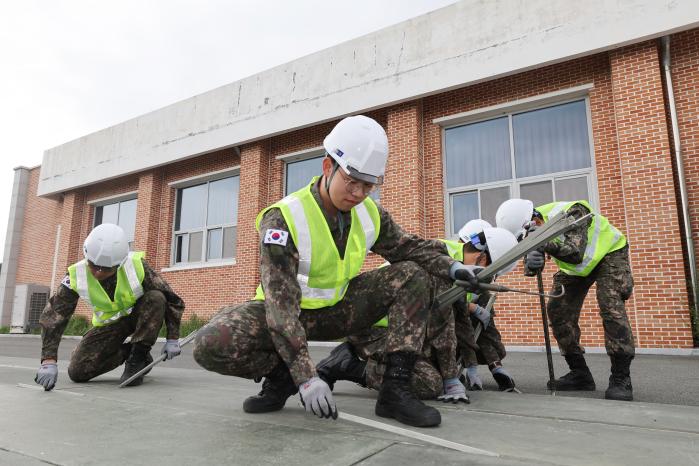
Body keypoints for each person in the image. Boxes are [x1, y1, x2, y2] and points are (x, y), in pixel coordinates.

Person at [192, 115, 479, 428]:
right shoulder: (284, 219)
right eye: (351, 181)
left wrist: (452, 266)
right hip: (285, 313)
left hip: (339, 311)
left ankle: (395, 391)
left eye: (367, 185)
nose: (357, 193)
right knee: (210, 343)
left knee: (412, 273)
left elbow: (410, 248)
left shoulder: (370, 213)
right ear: (328, 167)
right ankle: (281, 377)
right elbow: (281, 307)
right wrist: (305, 377)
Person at [317, 224, 518, 396]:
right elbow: (443, 328)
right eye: (491, 275)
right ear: (482, 260)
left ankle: (361, 354)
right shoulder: (441, 262)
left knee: (439, 367)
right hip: (374, 329)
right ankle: (345, 365)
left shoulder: (456, 262)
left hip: (399, 327)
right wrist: (449, 380)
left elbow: (461, 319)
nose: (488, 281)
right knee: (430, 384)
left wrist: (471, 364)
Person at [499, 199, 635, 401]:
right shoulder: (533, 230)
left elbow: (575, 253)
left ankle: (621, 377)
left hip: (610, 254)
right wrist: (532, 263)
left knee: (610, 307)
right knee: (557, 309)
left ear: (534, 218)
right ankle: (580, 373)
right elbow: (533, 264)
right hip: (577, 270)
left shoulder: (573, 211)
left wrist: (543, 243)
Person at [34, 223, 185, 390]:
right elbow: (53, 316)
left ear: (119, 264)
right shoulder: (76, 275)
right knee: (78, 372)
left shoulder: (136, 266)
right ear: (86, 256)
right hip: (109, 324)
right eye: (93, 265)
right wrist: (48, 360)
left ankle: (139, 356)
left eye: (105, 269)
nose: (98, 272)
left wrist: (173, 337)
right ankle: (130, 353)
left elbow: (172, 299)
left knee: (156, 297)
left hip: (139, 315)